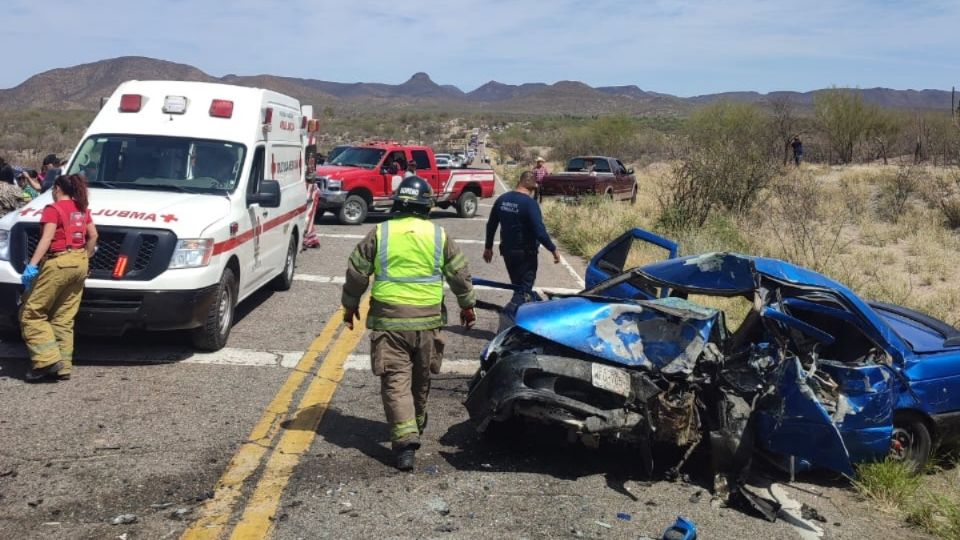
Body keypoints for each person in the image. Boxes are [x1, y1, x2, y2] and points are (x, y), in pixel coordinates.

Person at [341, 176, 476, 471]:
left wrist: (350, 306)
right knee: (420, 380)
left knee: (395, 382)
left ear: (399, 202)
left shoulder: (381, 233)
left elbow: (356, 273)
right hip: (428, 323)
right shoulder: (439, 235)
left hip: (391, 323)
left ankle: (404, 442)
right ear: (426, 205)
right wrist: (467, 307)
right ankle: (413, 425)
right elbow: (459, 274)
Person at [20, 174, 98, 382]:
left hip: (59, 262)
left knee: (31, 313)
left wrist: (32, 266)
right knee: (63, 317)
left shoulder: (53, 210)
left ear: (56, 188)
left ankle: (46, 361)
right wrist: (85, 258)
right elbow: (94, 236)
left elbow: (46, 239)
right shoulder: (81, 209)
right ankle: (63, 367)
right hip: (79, 262)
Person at [483, 171, 560, 305]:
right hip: (525, 254)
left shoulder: (502, 199)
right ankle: (513, 314)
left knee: (517, 287)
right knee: (524, 290)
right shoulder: (530, 204)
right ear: (532, 187)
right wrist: (553, 249)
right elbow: (539, 231)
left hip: (507, 252)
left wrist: (488, 247)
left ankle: (520, 309)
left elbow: (491, 225)